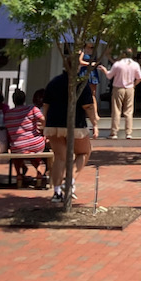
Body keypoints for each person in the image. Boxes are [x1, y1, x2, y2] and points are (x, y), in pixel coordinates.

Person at [43, 69, 94, 202]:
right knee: (84, 152)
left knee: (60, 157)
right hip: (75, 123)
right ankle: (70, 180)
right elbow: (87, 106)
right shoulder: (81, 84)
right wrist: (95, 122)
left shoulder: (54, 82)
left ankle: (56, 192)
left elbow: (46, 105)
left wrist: (45, 121)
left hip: (54, 123)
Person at [3, 90, 47, 189]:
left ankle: (19, 175)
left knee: (17, 155)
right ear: (24, 99)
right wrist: (43, 131)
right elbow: (43, 119)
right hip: (36, 143)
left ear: (13, 100)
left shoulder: (8, 113)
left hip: (17, 146)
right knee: (35, 154)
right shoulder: (32, 109)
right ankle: (39, 172)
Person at [106, 49, 141, 139]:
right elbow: (140, 77)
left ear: (123, 54)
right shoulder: (135, 64)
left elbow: (109, 75)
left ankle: (114, 132)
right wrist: (134, 84)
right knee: (129, 111)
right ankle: (128, 132)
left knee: (116, 110)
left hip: (118, 88)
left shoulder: (118, 64)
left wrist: (104, 70)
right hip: (130, 88)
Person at [78, 45, 102, 139]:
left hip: (92, 72)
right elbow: (80, 61)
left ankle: (95, 113)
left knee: (93, 94)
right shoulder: (82, 51)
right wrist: (89, 64)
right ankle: (83, 112)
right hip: (84, 71)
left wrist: (95, 64)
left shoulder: (94, 51)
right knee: (83, 93)